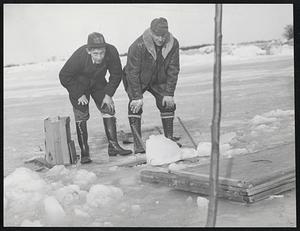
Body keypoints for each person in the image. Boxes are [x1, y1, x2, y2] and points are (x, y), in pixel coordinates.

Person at [59, 32, 132, 164]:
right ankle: (84, 152)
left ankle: (113, 146)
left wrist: (109, 94)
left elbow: (116, 74)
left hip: (98, 82)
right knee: (81, 113)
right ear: (89, 51)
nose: (100, 57)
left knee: (108, 108)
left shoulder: (112, 51)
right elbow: (64, 75)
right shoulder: (79, 55)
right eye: (96, 54)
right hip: (79, 85)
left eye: (102, 53)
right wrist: (77, 93)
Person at [123, 17, 180, 154]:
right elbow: (132, 72)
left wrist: (169, 94)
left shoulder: (173, 43)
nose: (160, 39)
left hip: (159, 80)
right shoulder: (138, 45)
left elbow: (173, 69)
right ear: (151, 32)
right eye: (157, 35)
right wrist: (136, 96)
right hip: (137, 78)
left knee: (168, 104)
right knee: (135, 106)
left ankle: (169, 139)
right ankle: (138, 145)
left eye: (163, 35)